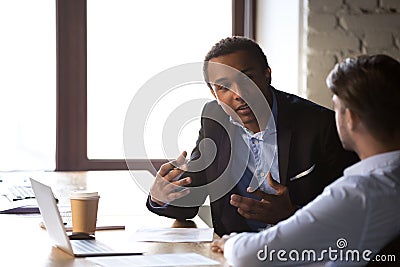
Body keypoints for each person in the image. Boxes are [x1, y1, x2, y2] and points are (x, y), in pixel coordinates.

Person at [146, 36, 357, 237]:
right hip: (235, 251)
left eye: (247, 78)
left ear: (267, 75)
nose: (238, 94)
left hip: (303, 250)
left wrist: (293, 214)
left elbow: (353, 211)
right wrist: (160, 196)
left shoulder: (320, 125)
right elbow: (190, 201)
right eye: (223, 87)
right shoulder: (214, 118)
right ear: (214, 93)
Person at [210, 54, 400, 266]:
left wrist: (231, 243)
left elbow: (250, 255)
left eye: (337, 107)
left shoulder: (358, 192)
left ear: (350, 117)